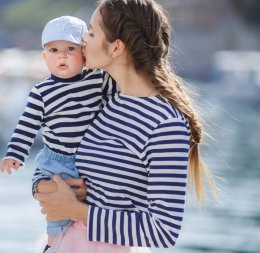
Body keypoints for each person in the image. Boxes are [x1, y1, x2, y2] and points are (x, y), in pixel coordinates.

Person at [33, 0, 218, 252]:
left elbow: (163, 230)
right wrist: (42, 186)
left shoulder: (166, 124)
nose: (83, 40)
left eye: (91, 32)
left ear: (116, 48)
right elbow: (56, 154)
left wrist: (77, 211)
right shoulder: (105, 100)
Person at [0, 16, 116, 248]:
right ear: (45, 57)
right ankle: (53, 246)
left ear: (84, 53)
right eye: (53, 50)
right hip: (57, 161)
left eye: (70, 49)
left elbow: (120, 90)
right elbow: (27, 125)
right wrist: (15, 154)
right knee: (57, 217)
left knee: (89, 210)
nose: (61, 55)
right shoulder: (41, 92)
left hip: (92, 158)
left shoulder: (98, 80)